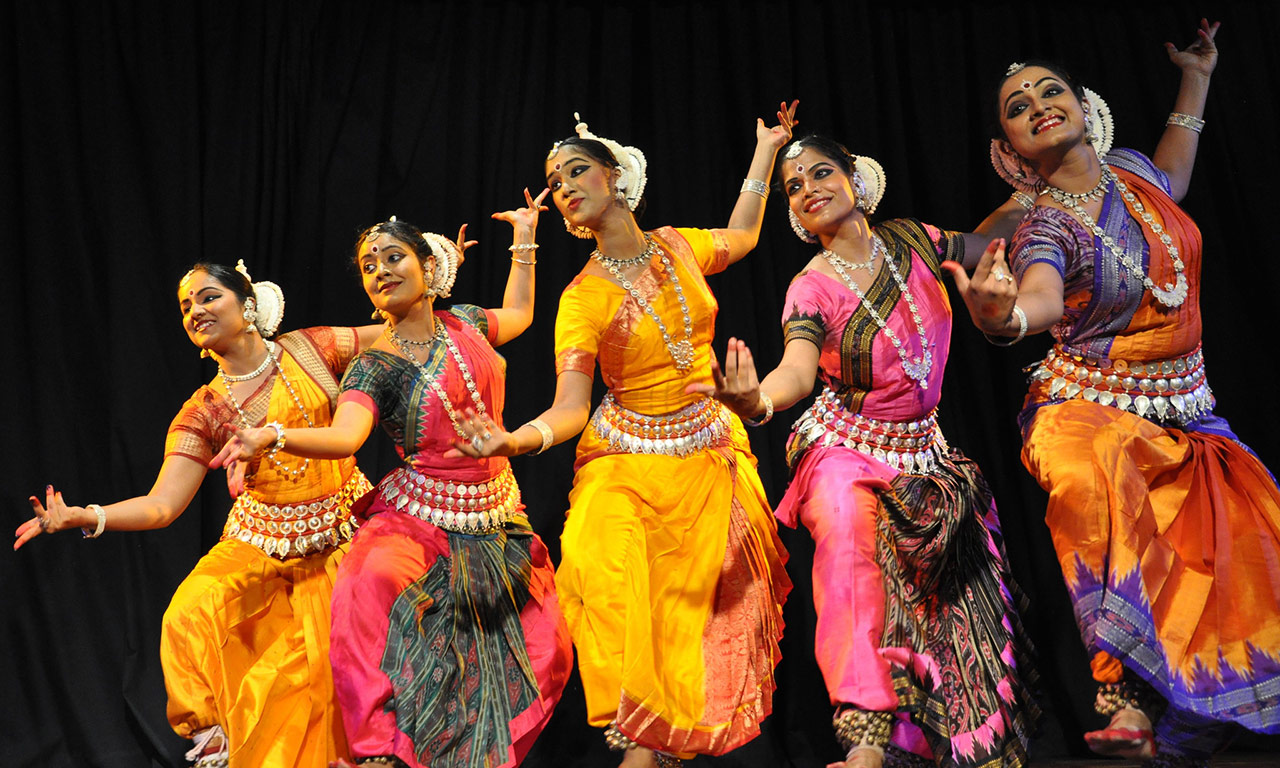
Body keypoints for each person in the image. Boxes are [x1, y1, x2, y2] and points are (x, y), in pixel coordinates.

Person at [946, 19, 1280, 766]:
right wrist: (1004, 318)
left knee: (1244, 561)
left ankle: (1189, 714)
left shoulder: (1130, 171)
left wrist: (1197, 75)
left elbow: (1176, 177)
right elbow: (1033, 297)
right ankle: (1118, 693)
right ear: (1011, 149)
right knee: (1090, 485)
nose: (1036, 104)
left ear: (1082, 104)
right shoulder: (1044, 230)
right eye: (1016, 106)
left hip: (1185, 410)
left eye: (1048, 90)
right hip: (1087, 409)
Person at [445, 107, 797, 768]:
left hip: (705, 454)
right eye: (555, 179)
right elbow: (570, 406)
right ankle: (640, 741)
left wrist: (767, 150)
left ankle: (650, 750)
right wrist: (515, 440)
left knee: (690, 615)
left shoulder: (677, 245)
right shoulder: (580, 298)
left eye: (578, 168)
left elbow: (745, 234)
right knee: (594, 564)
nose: (566, 184)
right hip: (623, 459)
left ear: (616, 174)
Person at [696, 134, 1038, 768]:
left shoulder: (914, 240)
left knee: (955, 592)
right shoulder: (811, 287)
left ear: (857, 178)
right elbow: (797, 369)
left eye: (820, 173)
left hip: (927, 455)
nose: (807, 190)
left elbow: (993, 238)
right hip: (845, 449)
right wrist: (757, 402)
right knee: (848, 554)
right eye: (793, 187)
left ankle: (954, 739)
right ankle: (864, 744)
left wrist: (1044, 183)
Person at [212, 191, 573, 768]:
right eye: (368, 267)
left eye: (391, 258)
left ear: (429, 268)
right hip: (417, 519)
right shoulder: (373, 364)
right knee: (366, 587)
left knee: (543, 645)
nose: (380, 272)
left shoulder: (469, 323)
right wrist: (272, 435)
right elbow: (344, 438)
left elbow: (524, 313)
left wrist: (525, 238)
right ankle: (377, 751)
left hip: (495, 517)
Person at [16, 260, 382, 767]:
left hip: (344, 539)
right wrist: (89, 516)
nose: (195, 311)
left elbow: (399, 334)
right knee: (187, 614)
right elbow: (162, 504)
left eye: (209, 297)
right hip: (260, 546)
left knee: (321, 687)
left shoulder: (313, 347)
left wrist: (432, 279)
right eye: (186, 305)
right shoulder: (204, 410)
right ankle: (212, 740)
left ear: (248, 304)